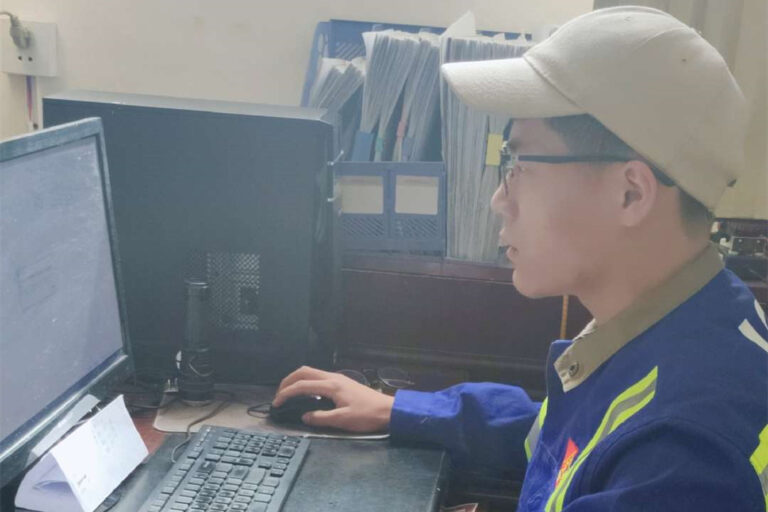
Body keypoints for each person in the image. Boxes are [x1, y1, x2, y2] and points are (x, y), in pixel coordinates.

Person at [274, 6, 768, 511]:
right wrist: (401, 408)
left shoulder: (682, 456)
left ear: (630, 194)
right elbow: (561, 436)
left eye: (519, 165)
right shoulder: (692, 319)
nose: (498, 199)